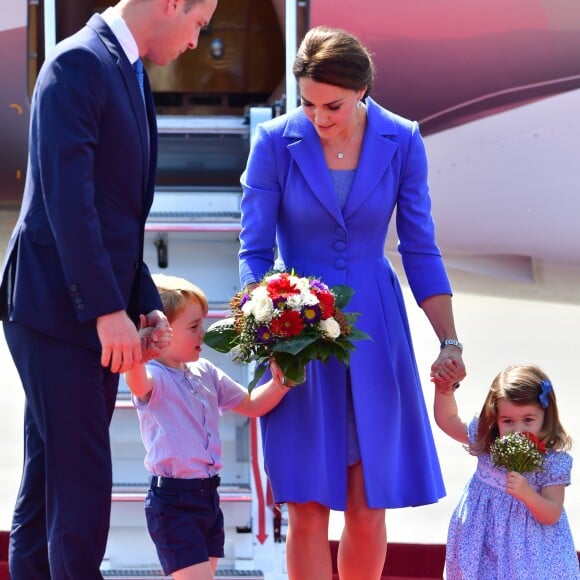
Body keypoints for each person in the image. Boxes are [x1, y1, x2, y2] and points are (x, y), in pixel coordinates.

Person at [238, 25, 466, 580]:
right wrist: (267, 328)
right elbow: (253, 250)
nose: (318, 117)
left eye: (332, 104)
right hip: (296, 331)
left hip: (376, 333)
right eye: (307, 103)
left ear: (362, 89)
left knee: (368, 507)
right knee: (307, 506)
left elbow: (419, 246)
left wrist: (448, 338)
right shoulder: (273, 142)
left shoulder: (403, 139)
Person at [0, 1, 217, 578]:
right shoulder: (76, 64)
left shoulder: (127, 70)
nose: (198, 41)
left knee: (51, 483)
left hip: (77, 312)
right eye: (199, 23)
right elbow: (67, 203)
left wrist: (143, 300)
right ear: (172, 4)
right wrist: (104, 309)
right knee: (83, 486)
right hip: (52, 310)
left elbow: (117, 216)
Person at [124, 274, 290, 580]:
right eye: (194, 326)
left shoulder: (206, 372)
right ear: (162, 332)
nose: (204, 331)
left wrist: (283, 381)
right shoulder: (154, 377)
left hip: (208, 497)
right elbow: (136, 381)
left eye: (203, 322)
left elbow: (252, 404)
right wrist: (137, 350)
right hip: (173, 502)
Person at [434, 364, 579, 579]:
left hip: (528, 555)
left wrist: (527, 494)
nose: (518, 430)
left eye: (528, 420)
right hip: (481, 544)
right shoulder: (488, 443)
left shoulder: (551, 462)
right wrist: (444, 390)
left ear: (546, 417)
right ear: (495, 418)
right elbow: (448, 421)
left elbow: (552, 513)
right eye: (508, 421)